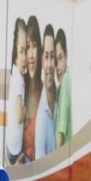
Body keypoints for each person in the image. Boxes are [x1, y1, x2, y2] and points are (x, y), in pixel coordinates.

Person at [19, 16, 43, 164]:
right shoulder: (20, 88)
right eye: (27, 47)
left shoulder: (45, 93)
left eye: (34, 46)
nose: (31, 55)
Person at [5, 18, 28, 165]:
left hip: (12, 146)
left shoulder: (16, 74)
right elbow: (20, 116)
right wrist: (30, 105)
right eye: (21, 51)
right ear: (15, 55)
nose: (25, 57)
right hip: (15, 151)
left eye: (26, 50)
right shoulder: (18, 80)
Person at [34, 24, 58, 159]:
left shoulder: (61, 97)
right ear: (42, 60)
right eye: (46, 57)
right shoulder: (40, 117)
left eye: (52, 57)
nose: (49, 65)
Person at [54, 28, 72, 148]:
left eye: (60, 58)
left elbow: (61, 132)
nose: (58, 67)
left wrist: (55, 157)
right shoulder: (63, 84)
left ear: (66, 54)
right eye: (56, 61)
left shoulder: (65, 80)